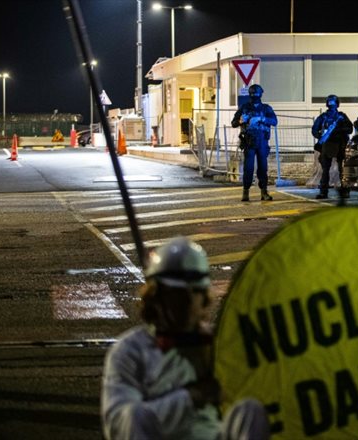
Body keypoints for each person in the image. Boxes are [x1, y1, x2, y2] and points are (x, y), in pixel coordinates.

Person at [101, 237, 269, 440]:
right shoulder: (130, 351)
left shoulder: (219, 345)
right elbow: (120, 426)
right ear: (157, 297)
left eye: (195, 292)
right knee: (132, 414)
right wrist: (191, 397)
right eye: (177, 294)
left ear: (206, 295)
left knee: (251, 411)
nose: (188, 302)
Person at [231, 84, 278, 202]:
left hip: (262, 142)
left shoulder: (266, 108)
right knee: (249, 168)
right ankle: (245, 192)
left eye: (256, 94)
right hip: (249, 142)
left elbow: (274, 121)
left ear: (260, 94)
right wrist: (241, 120)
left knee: (263, 168)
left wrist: (262, 119)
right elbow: (234, 123)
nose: (255, 96)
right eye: (253, 94)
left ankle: (264, 192)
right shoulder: (244, 107)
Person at [311, 94, 353, 199]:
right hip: (328, 144)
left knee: (341, 169)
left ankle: (341, 191)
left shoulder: (341, 117)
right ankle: (326, 191)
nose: (332, 107)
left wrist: (337, 131)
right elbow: (315, 130)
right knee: (328, 170)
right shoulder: (324, 117)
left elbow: (349, 129)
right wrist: (323, 135)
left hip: (340, 144)